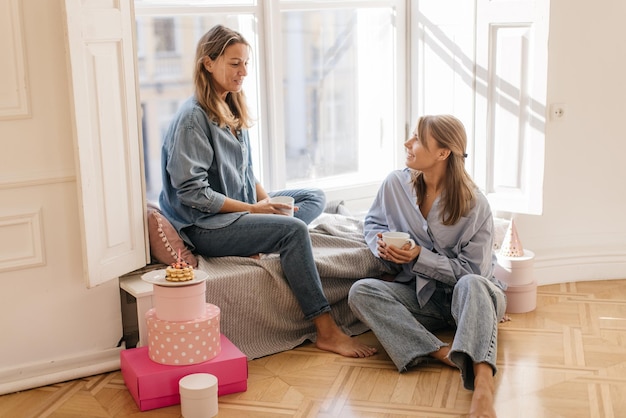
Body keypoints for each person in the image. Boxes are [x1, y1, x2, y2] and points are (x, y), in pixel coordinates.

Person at [158, 24, 376, 358]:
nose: (244, 72)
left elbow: (246, 171)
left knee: (313, 197)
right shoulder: (192, 119)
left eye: (246, 63)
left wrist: (266, 201)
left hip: (239, 210)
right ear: (208, 63)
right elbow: (193, 195)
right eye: (235, 63)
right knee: (293, 231)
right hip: (207, 226)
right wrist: (254, 211)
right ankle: (327, 330)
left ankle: (259, 238)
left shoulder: (230, 105)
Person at [348, 115, 507, 417]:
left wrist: (420, 257)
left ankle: (483, 385)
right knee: (361, 291)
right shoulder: (395, 184)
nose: (407, 143)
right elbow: (373, 222)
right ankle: (440, 351)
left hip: (473, 297)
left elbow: (473, 273)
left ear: (443, 152)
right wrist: (380, 246)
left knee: (471, 285)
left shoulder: (475, 204)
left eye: (417, 139)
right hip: (423, 298)